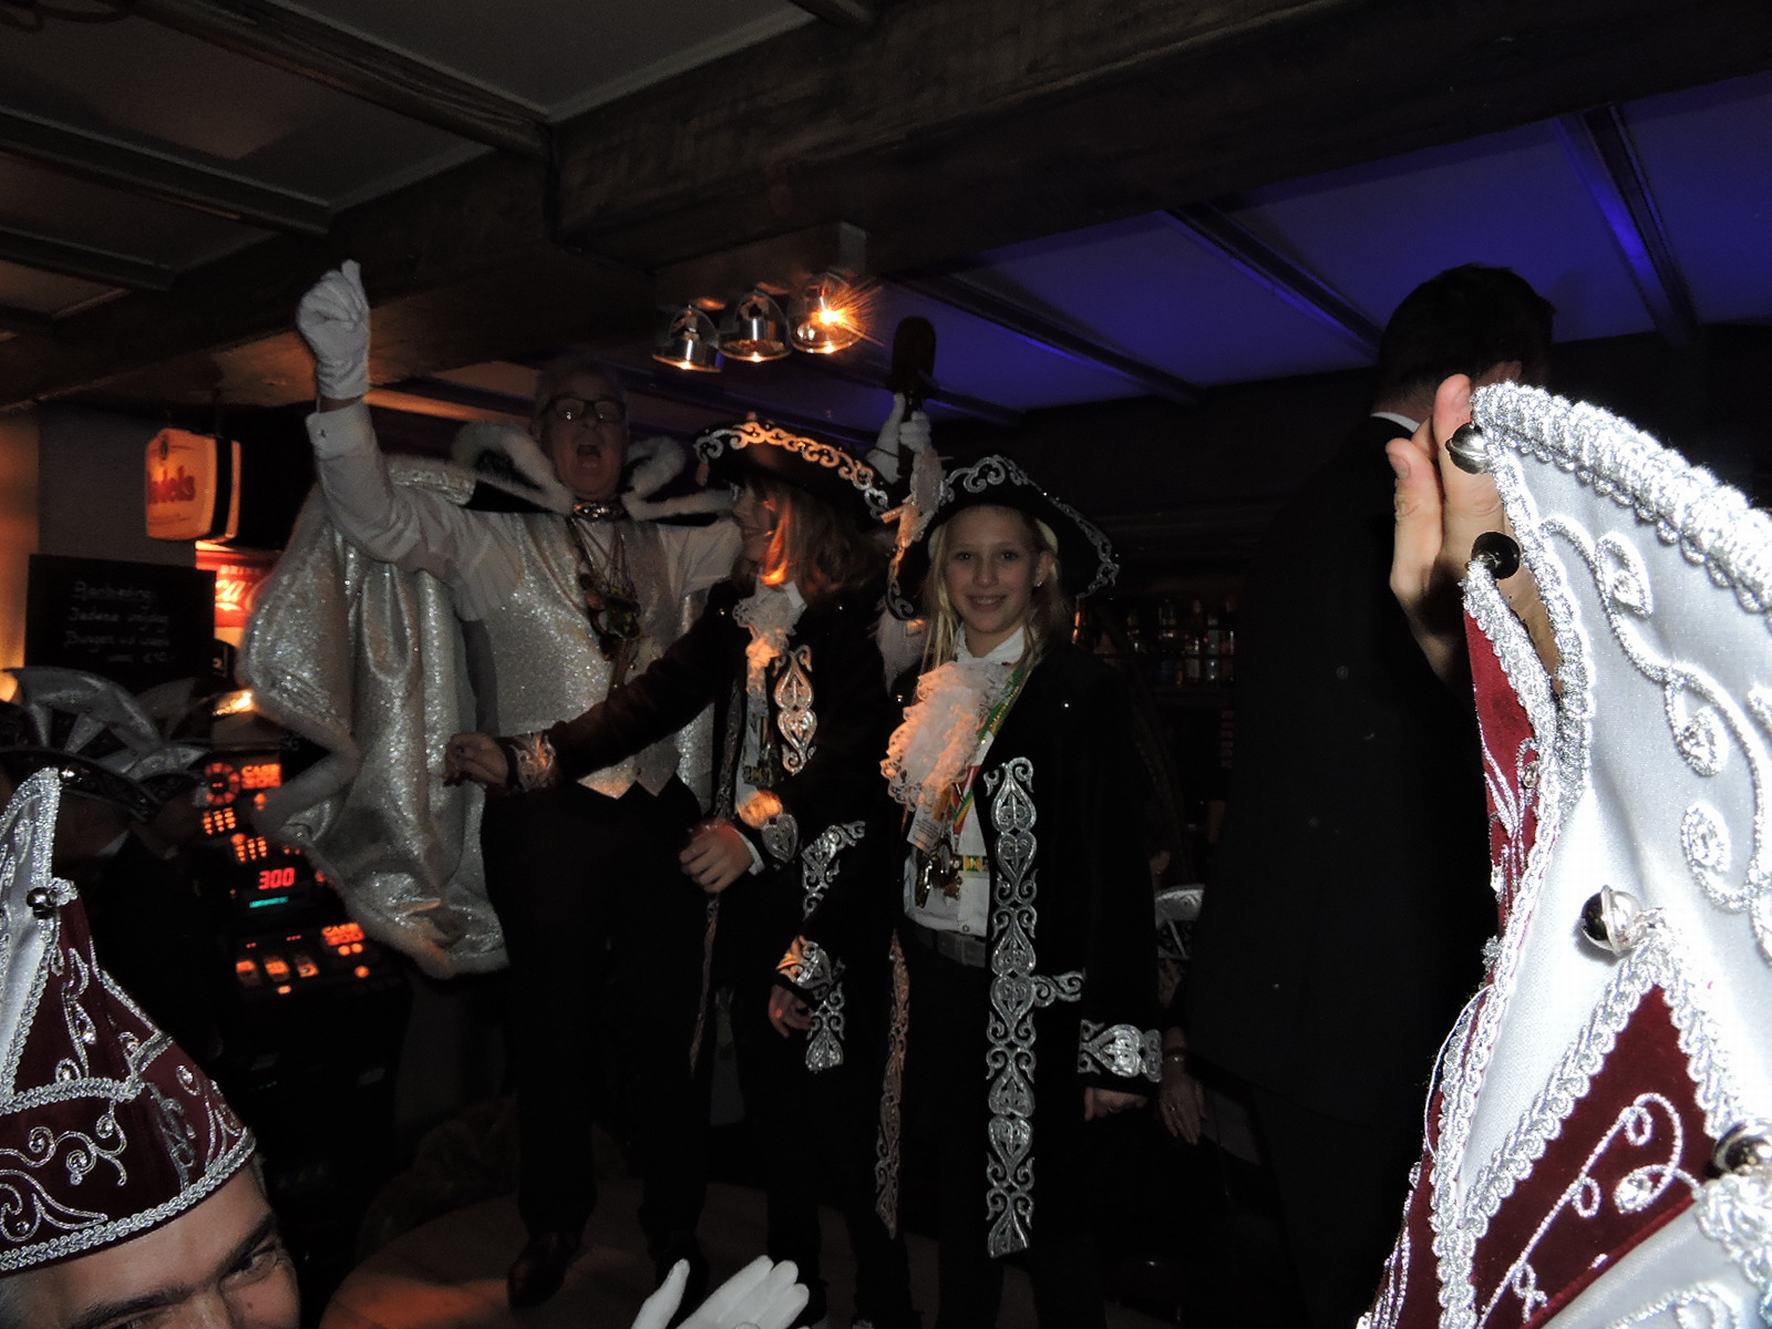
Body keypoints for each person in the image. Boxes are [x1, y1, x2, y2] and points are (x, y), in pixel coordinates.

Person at [264, 262, 746, 1307]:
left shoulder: (675, 543)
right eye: (568, 411)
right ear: (536, 433)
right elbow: (372, 517)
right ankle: (554, 1220)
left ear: (630, 435)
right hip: (543, 821)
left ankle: (674, 1220)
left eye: (606, 412)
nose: (589, 426)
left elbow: (791, 531)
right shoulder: (486, 532)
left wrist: (889, 480)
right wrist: (341, 386)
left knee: (666, 1035)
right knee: (551, 1035)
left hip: (657, 814)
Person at [447, 416, 921, 1329]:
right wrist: (530, 756)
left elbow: (853, 764)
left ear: (800, 517)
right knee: (777, 1121)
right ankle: (799, 1297)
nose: (739, 512)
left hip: (831, 904)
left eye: (756, 499)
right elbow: (648, 702)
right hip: (752, 903)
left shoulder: (852, 628)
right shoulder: (738, 618)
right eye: (740, 496)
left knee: (847, 1125)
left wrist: (754, 831)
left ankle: (888, 1307)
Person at [1182, 263, 1556, 1327]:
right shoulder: (1439, 525)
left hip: (1281, 995)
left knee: (1331, 1280)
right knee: (1387, 1295)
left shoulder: (1301, 508)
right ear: (1492, 385)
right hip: (1379, 1015)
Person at [782, 455, 1160, 1329]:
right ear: (940, 573)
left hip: (1039, 1014)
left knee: (1057, 1237)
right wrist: (811, 956)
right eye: (965, 557)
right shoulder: (919, 694)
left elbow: (1116, 875)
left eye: (1006, 557)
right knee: (959, 1223)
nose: (985, 577)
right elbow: (886, 851)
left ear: (1042, 570)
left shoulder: (1081, 692)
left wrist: (1115, 1046)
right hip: (938, 997)